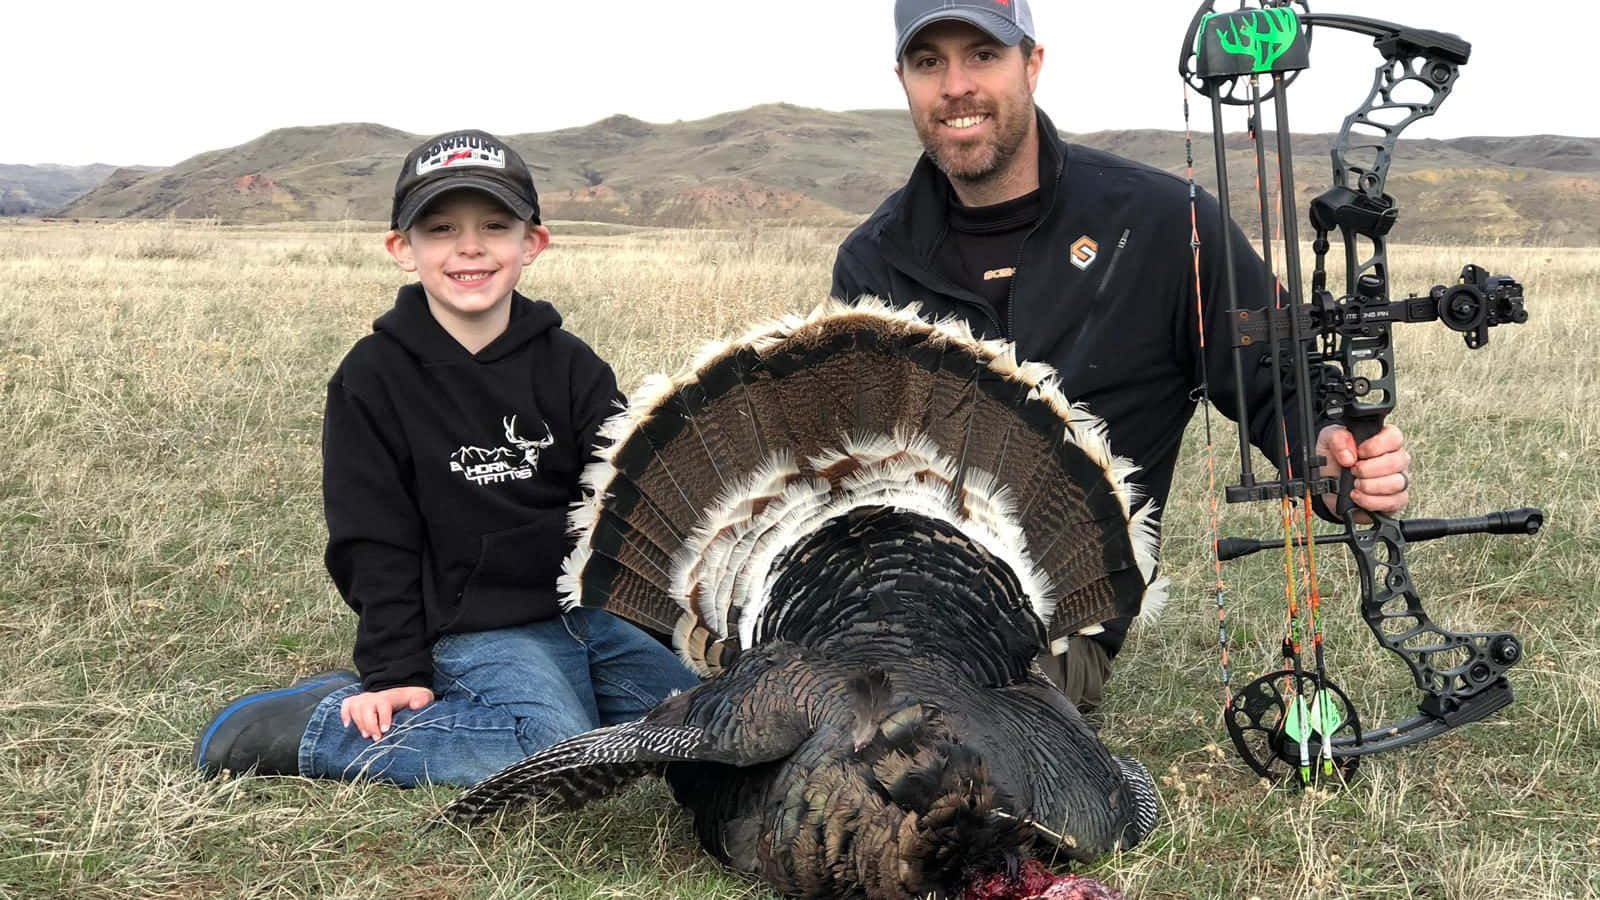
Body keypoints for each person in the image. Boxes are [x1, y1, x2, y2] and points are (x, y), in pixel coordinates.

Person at [832, 0, 1413, 711]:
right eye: (930, 62)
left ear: (1032, 65)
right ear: (904, 79)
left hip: (1051, 626)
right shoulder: (875, 257)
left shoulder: (1165, 224)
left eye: (983, 55)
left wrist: (1329, 451)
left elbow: (1278, 381)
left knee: (916, 742)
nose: (956, 86)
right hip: (886, 607)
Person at [194, 130, 699, 786]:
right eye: (440, 228)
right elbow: (373, 541)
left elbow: (625, 507)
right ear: (403, 249)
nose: (469, 247)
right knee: (551, 752)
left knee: (709, 725)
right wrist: (394, 672)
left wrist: (665, 632)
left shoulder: (571, 366)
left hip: (582, 622)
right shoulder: (373, 377)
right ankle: (318, 725)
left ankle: (562, 707)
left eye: (494, 225)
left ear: (531, 243)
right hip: (475, 631)